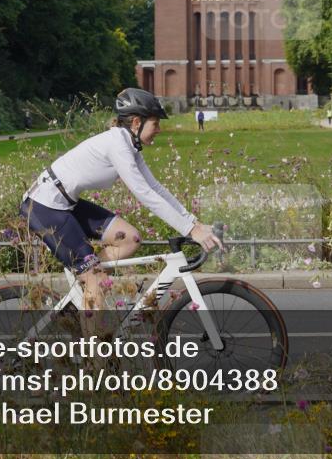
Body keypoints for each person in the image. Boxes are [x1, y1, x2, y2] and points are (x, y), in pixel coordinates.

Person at [19, 88, 223, 335]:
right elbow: (144, 194)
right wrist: (190, 230)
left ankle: (89, 289)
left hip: (66, 203)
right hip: (43, 206)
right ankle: (95, 362)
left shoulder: (129, 145)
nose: (159, 129)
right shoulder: (117, 144)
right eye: (155, 123)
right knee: (94, 276)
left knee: (130, 238)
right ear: (136, 123)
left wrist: (195, 224)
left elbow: (155, 187)